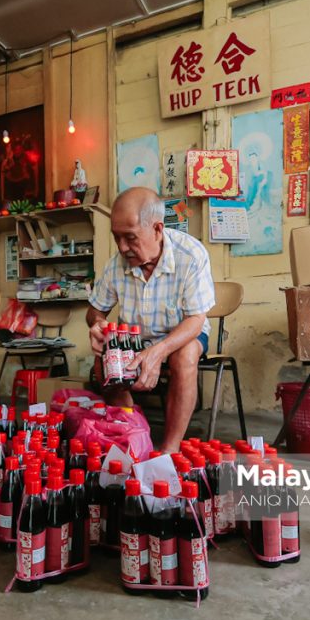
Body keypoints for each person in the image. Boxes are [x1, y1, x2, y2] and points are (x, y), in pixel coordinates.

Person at [87, 187, 216, 453]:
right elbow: (95, 310)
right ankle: (133, 434)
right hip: (137, 336)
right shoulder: (116, 265)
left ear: (157, 229)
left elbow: (195, 319)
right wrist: (97, 324)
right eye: (117, 238)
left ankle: (170, 449)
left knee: (185, 355)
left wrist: (157, 352)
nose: (123, 247)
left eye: (130, 238)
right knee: (106, 361)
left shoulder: (190, 255)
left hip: (183, 333)